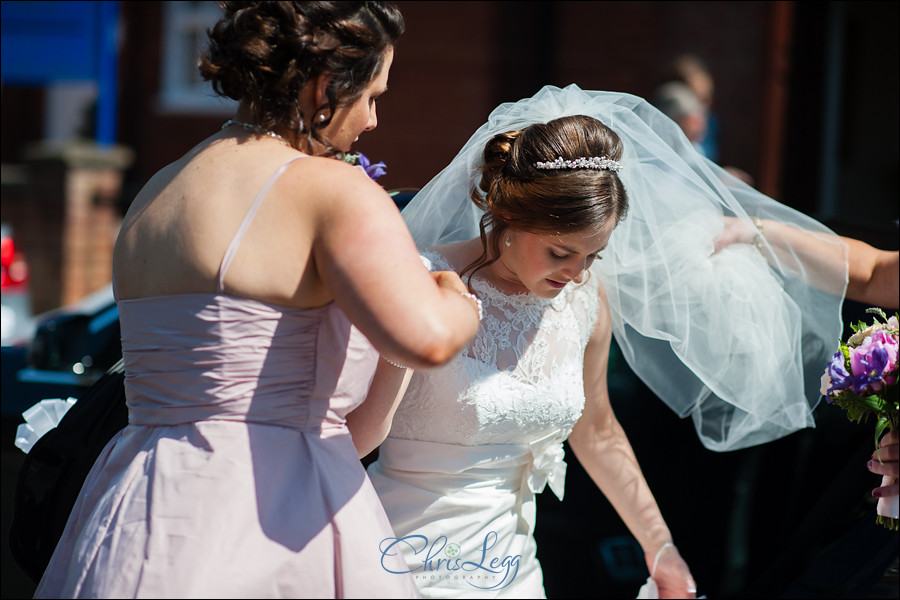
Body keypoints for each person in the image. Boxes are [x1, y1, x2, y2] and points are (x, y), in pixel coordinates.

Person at [34, 2, 481, 598]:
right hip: (271, 505)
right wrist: (455, 297)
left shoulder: (157, 191)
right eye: (373, 96)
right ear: (325, 87)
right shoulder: (330, 188)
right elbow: (425, 339)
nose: (373, 121)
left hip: (141, 497)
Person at [347, 84, 849, 598]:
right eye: (561, 252)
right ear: (511, 218)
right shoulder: (423, 279)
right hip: (400, 555)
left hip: (513, 567)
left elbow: (598, 430)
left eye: (593, 256)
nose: (577, 274)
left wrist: (661, 548)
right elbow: (354, 440)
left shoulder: (586, 301)